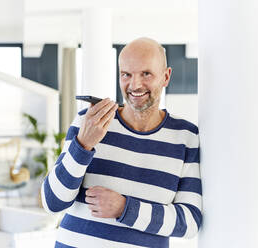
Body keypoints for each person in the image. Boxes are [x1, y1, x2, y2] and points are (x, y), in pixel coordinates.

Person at [41, 37, 202, 248]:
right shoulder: (89, 121)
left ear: (166, 76)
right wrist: (83, 144)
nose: (135, 85)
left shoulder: (186, 136)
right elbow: (52, 202)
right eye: (126, 74)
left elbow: (189, 222)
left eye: (146, 73)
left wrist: (125, 208)